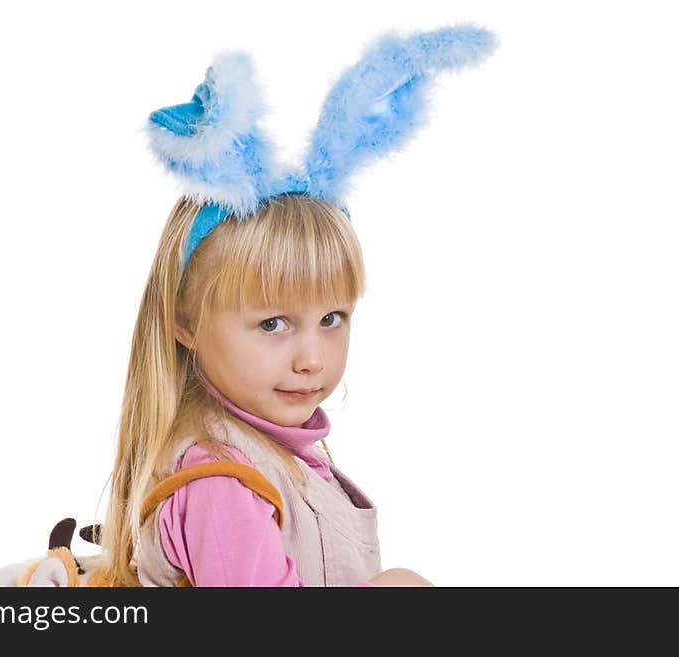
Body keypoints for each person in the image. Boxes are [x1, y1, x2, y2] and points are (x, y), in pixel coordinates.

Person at [97, 25, 497, 587]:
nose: (312, 358)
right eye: (273, 323)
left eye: (331, 318)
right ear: (184, 319)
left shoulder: (276, 456)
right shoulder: (222, 485)